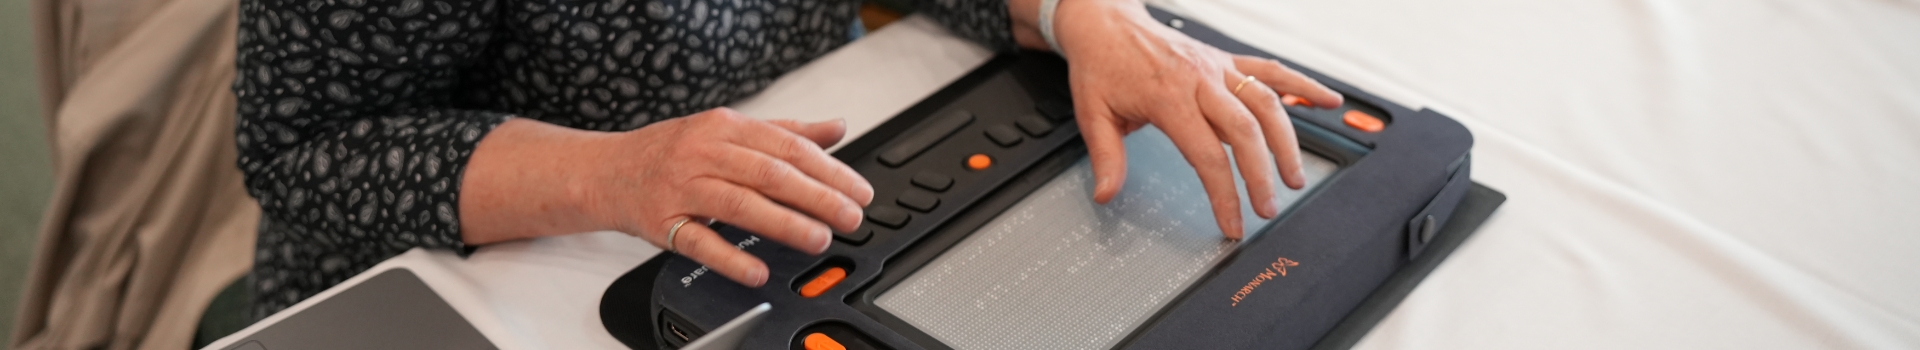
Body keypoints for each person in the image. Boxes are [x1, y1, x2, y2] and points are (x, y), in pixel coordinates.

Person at [233, 0, 1343, 318]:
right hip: (467, 271)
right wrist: (616, 175)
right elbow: (302, 146)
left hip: (798, 176)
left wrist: (1075, 13)